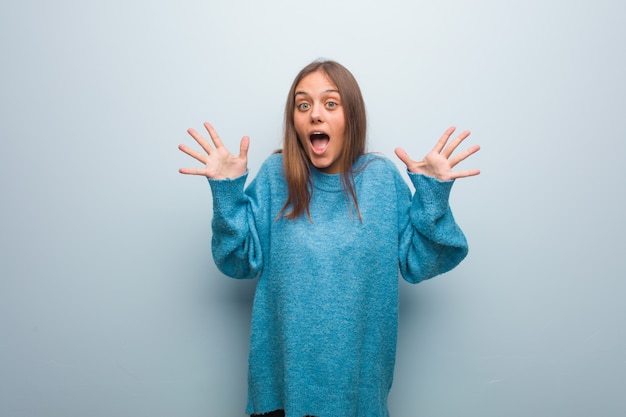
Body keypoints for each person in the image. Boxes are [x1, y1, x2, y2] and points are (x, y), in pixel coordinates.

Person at [178, 59, 480, 417]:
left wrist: (433, 195)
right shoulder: (277, 177)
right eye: (303, 105)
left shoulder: (381, 179)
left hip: (358, 396)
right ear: (294, 121)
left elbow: (423, 262)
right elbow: (237, 261)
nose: (314, 115)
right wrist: (227, 193)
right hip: (281, 396)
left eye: (330, 103)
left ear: (351, 116)